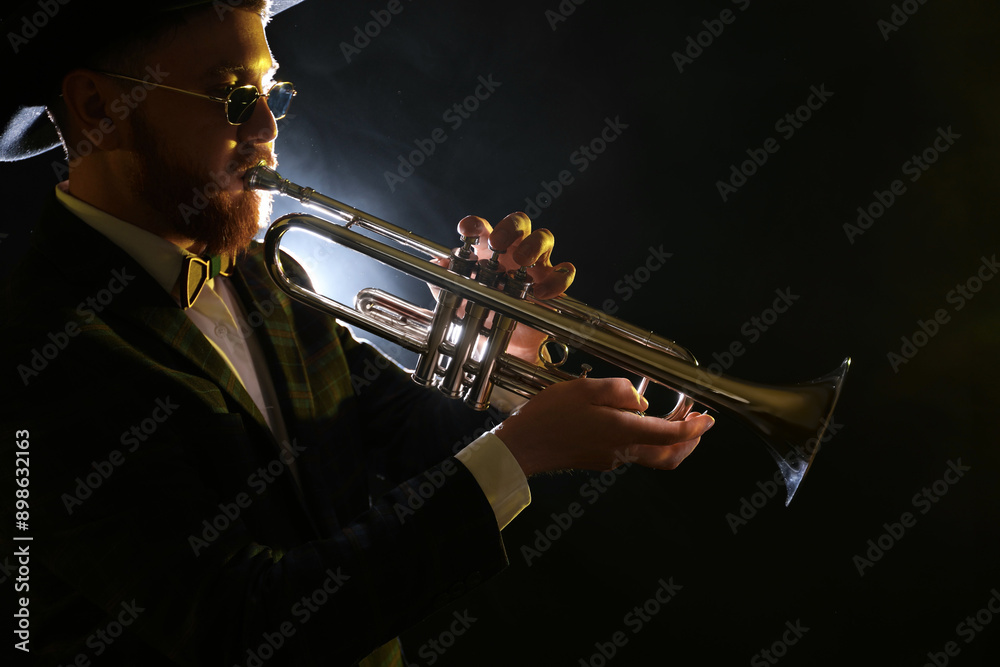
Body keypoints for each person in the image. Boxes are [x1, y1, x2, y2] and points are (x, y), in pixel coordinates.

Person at [0, 1, 714, 664]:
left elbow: (404, 439)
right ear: (99, 107)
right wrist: (521, 451)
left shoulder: (264, 271)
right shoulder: (38, 356)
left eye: (270, 92)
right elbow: (239, 623)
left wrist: (503, 356)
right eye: (232, 96)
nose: (267, 129)